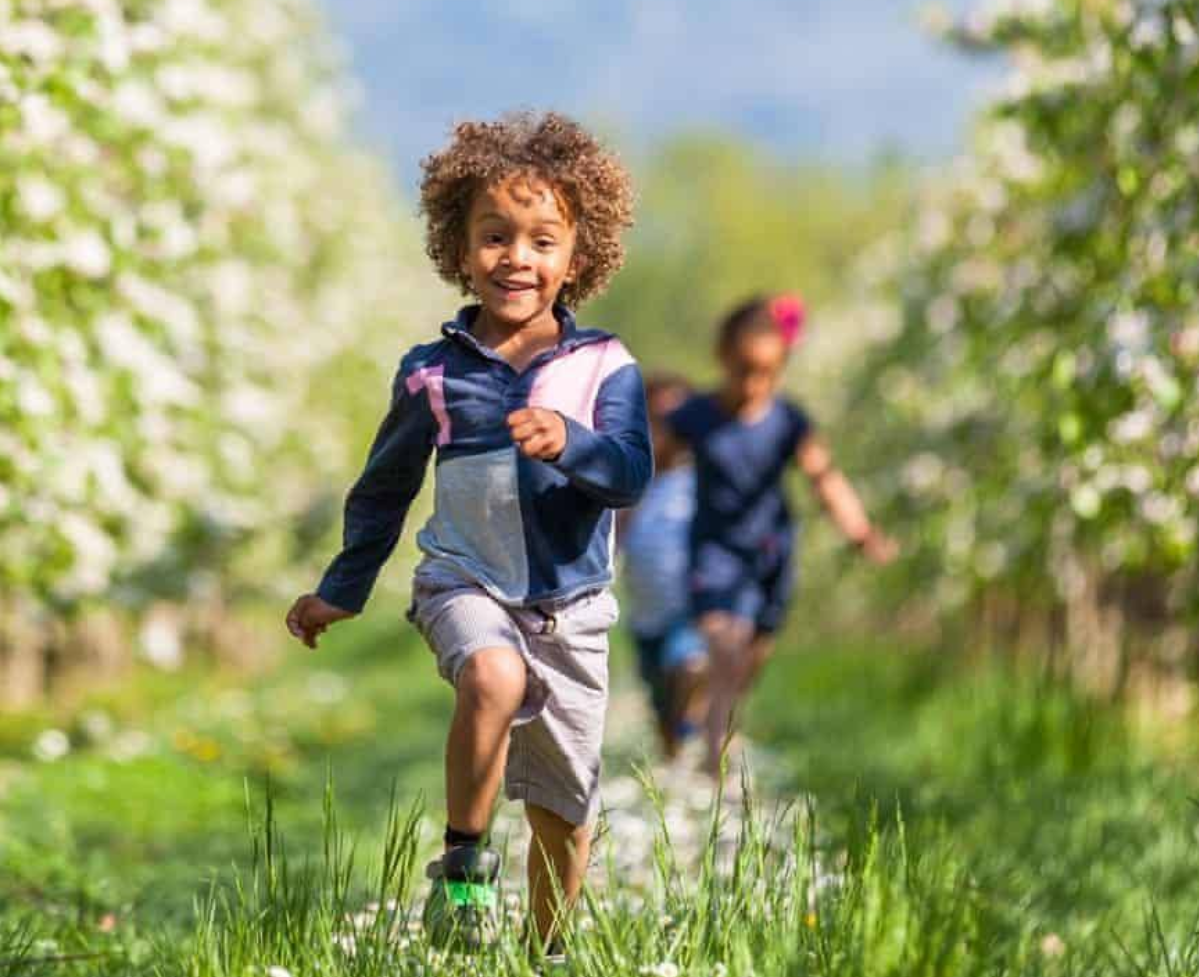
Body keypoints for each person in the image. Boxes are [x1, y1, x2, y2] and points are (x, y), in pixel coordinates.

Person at [284, 112, 648, 955]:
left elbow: (630, 472)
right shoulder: (432, 372)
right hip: (465, 582)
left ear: (576, 257)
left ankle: (547, 950)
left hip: (572, 605)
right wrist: (340, 588)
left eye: (540, 240)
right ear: (460, 246)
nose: (516, 257)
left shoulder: (603, 367)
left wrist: (573, 442)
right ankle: (463, 865)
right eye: (494, 236)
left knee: (565, 802)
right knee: (492, 674)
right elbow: (384, 488)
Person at [665, 294, 896, 779]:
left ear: (781, 366)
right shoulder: (697, 416)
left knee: (748, 660)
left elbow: (825, 478)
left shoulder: (789, 422)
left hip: (769, 554)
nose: (753, 383)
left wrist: (860, 531)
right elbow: (648, 466)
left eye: (766, 372)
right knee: (725, 647)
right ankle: (714, 764)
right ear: (723, 359)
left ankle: (704, 711)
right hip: (713, 551)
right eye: (743, 369)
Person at [618, 373, 707, 759]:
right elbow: (615, 537)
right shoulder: (635, 482)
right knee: (660, 704)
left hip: (693, 606)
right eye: (656, 420)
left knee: (689, 665)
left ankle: (696, 728)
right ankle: (674, 762)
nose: (667, 431)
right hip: (646, 613)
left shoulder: (701, 480)